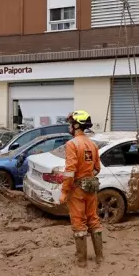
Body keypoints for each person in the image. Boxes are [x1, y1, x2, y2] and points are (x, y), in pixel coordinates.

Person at [59, 110, 103, 267]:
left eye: (70, 124)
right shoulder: (93, 144)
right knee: (93, 220)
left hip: (77, 189)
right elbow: (97, 168)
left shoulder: (72, 144)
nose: (69, 127)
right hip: (91, 187)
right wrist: (87, 175)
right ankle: (100, 258)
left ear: (76, 125)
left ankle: (82, 261)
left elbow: (70, 171)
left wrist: (64, 191)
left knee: (78, 223)